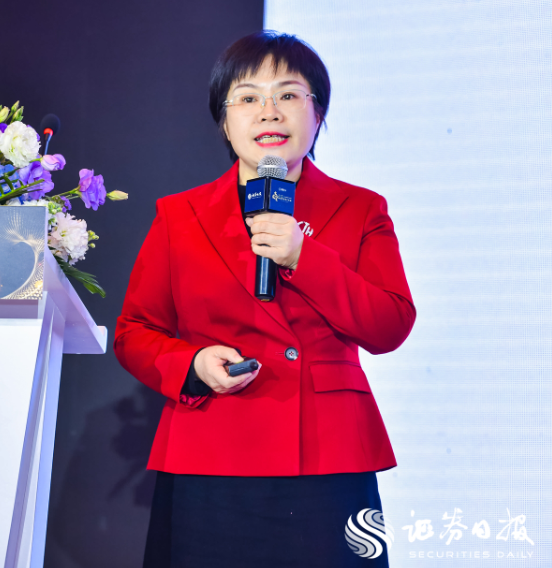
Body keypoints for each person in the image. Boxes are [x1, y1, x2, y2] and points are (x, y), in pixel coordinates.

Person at [113, 30, 416, 567]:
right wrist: (192, 364)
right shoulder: (179, 215)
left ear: (318, 114)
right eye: (248, 97)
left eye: (288, 95)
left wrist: (304, 257)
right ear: (225, 121)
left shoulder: (361, 208)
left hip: (327, 458)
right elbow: (135, 332)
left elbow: (389, 324)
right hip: (211, 451)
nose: (269, 111)